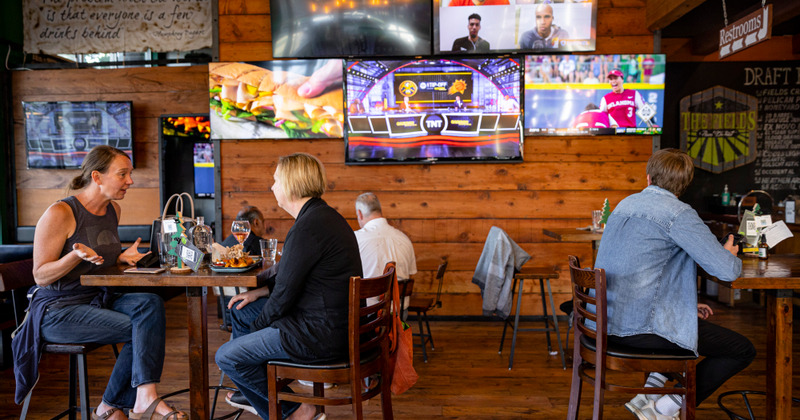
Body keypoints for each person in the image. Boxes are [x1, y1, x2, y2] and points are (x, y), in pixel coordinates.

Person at [15, 145, 185, 420]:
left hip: (95, 300)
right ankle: (122, 403)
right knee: (141, 328)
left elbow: (97, 260)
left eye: (130, 174)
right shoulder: (60, 212)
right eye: (122, 174)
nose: (130, 180)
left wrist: (119, 258)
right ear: (97, 177)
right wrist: (73, 255)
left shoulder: (112, 210)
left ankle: (127, 401)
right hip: (57, 312)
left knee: (150, 305)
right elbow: (40, 275)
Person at [593, 149, 755, 420]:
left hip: (602, 322)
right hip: (638, 329)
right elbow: (726, 271)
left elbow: (642, 269)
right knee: (741, 350)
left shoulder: (625, 204)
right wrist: (730, 252)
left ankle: (649, 393)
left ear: (648, 178)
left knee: (685, 326)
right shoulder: (679, 214)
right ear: (685, 184)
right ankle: (666, 405)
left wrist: (685, 304)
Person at [215, 153, 362, 419]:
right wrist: (260, 292)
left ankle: (294, 411)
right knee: (240, 308)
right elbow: (293, 278)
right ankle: (252, 388)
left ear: (292, 184)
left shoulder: (308, 227)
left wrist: (256, 330)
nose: (272, 187)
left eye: (276, 180)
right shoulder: (322, 217)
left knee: (227, 356)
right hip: (333, 325)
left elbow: (283, 297)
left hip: (318, 335)